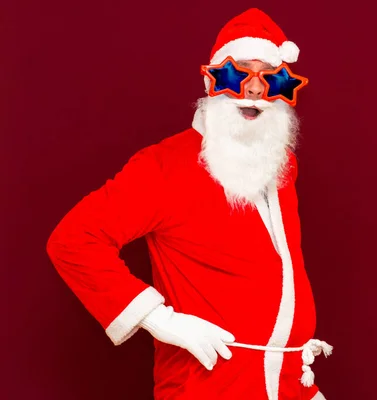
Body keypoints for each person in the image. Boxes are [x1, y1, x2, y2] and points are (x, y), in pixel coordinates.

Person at [46, 7, 331, 400]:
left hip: (288, 383)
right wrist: (159, 320)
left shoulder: (282, 165)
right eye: (238, 73)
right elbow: (74, 240)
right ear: (211, 79)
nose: (253, 89)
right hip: (208, 387)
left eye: (270, 78)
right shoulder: (164, 165)